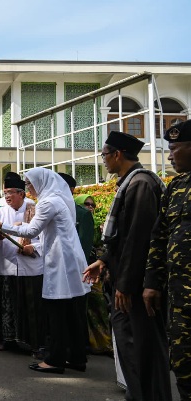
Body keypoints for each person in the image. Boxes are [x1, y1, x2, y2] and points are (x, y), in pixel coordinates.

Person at [83, 131, 171, 400]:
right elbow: (121, 237)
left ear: (117, 154)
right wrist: (104, 260)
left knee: (141, 349)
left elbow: (138, 239)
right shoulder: (130, 183)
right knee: (131, 346)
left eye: (105, 155)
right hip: (126, 278)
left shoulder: (141, 185)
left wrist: (126, 285)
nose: (104, 161)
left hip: (135, 286)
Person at [0, 167, 90, 374]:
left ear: (40, 183)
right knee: (71, 312)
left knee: (56, 312)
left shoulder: (47, 202)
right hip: (69, 259)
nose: (29, 188)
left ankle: (55, 360)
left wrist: (2, 226)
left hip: (60, 262)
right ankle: (77, 357)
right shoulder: (58, 199)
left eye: (29, 184)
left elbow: (31, 230)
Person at [143, 120, 191, 400]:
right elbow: (159, 238)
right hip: (179, 298)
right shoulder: (175, 187)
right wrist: (152, 283)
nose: (170, 155)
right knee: (183, 364)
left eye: (174, 148)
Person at [0, 173, 45, 356]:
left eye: (10, 192)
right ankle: (9, 340)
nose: (6, 196)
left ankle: (35, 344)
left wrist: (33, 247)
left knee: (31, 307)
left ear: (22, 193)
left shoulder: (35, 210)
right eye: (5, 192)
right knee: (8, 306)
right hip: (8, 266)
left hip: (31, 267)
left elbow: (45, 239)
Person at [74, 193, 112, 355]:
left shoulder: (99, 226)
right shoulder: (75, 223)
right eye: (86, 204)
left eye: (92, 205)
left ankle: (103, 343)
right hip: (81, 269)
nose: (90, 207)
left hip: (97, 271)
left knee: (98, 306)